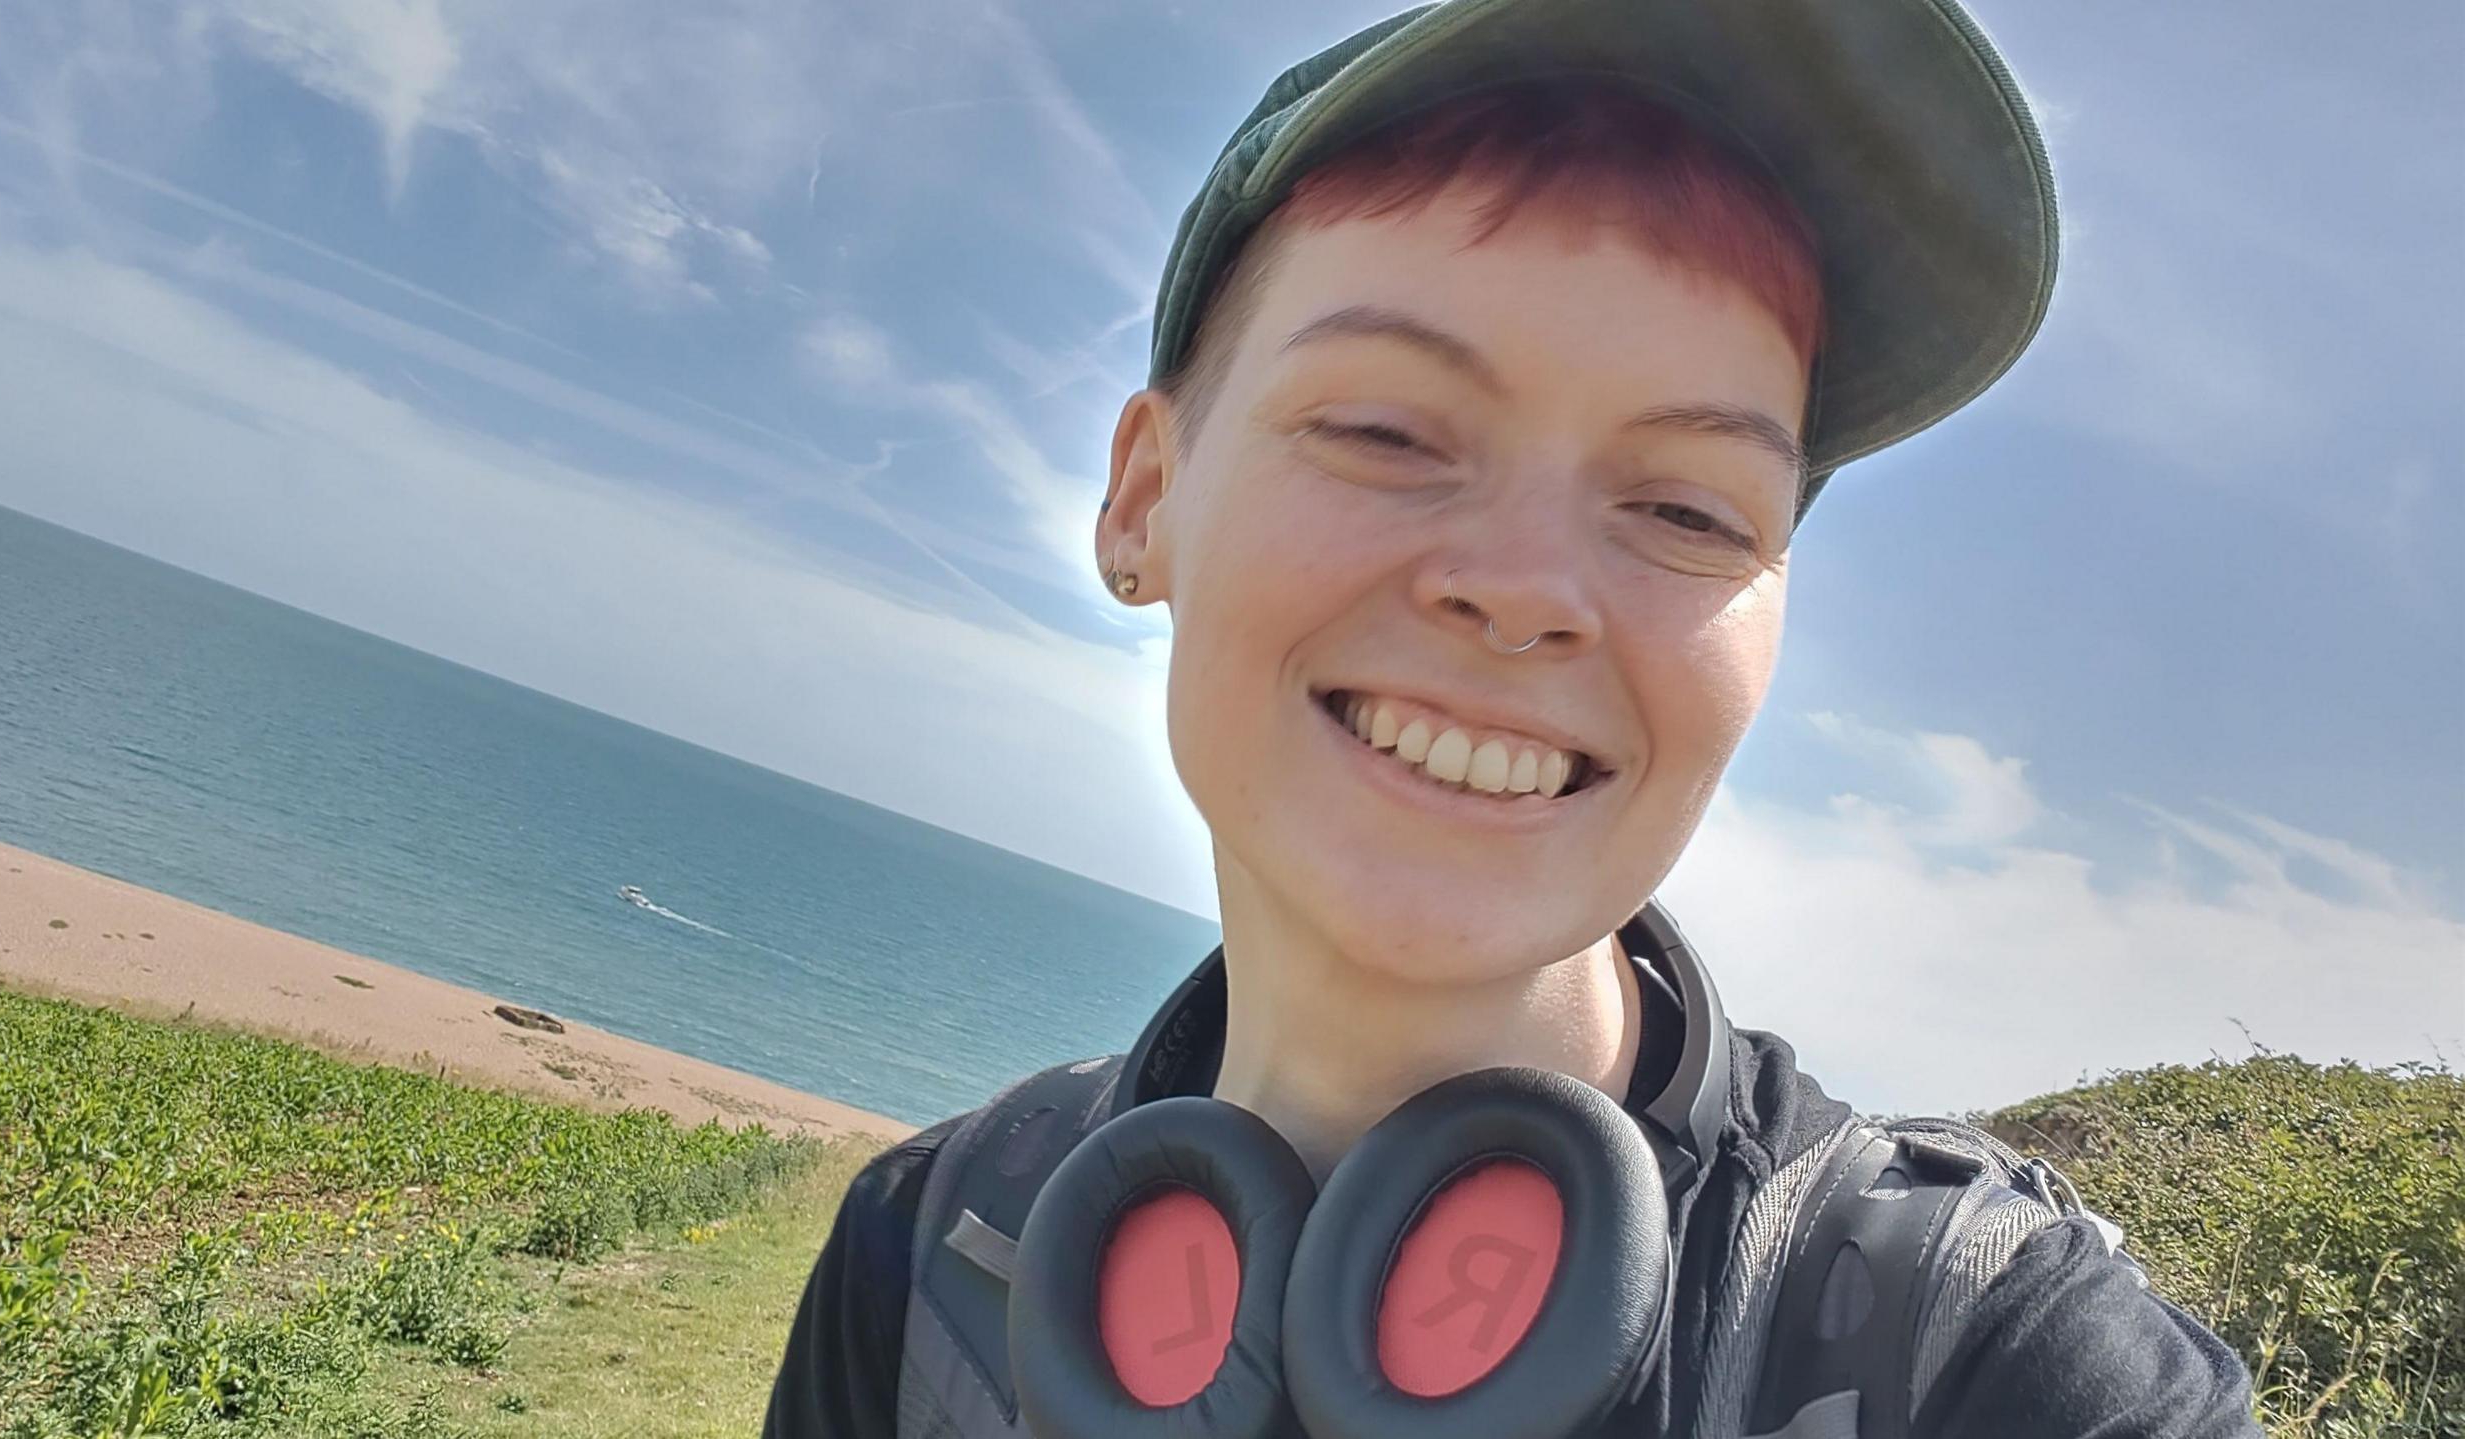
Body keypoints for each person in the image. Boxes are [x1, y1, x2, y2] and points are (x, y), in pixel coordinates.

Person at [765, 2, 2262, 1435]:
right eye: (1383, 430)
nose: (1528, 589)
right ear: (1148, 500)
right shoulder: (925, 1259)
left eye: (1686, 508)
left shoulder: (2004, 1369)